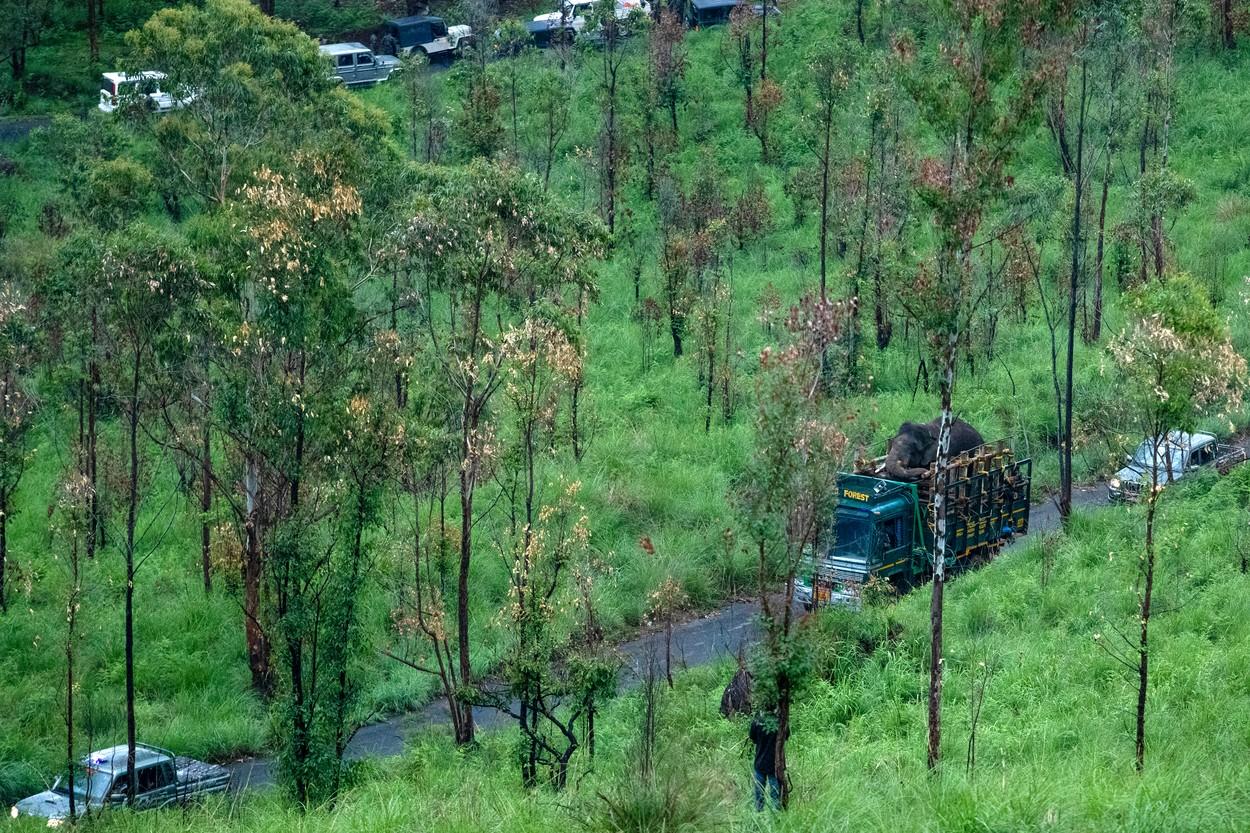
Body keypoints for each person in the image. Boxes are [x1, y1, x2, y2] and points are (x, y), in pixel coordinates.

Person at [749, 713, 782, 811]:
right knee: (775, 795)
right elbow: (786, 736)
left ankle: (759, 817)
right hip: (775, 764)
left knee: (759, 796)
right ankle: (776, 818)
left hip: (760, 763)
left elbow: (753, 738)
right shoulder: (779, 721)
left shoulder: (757, 721)